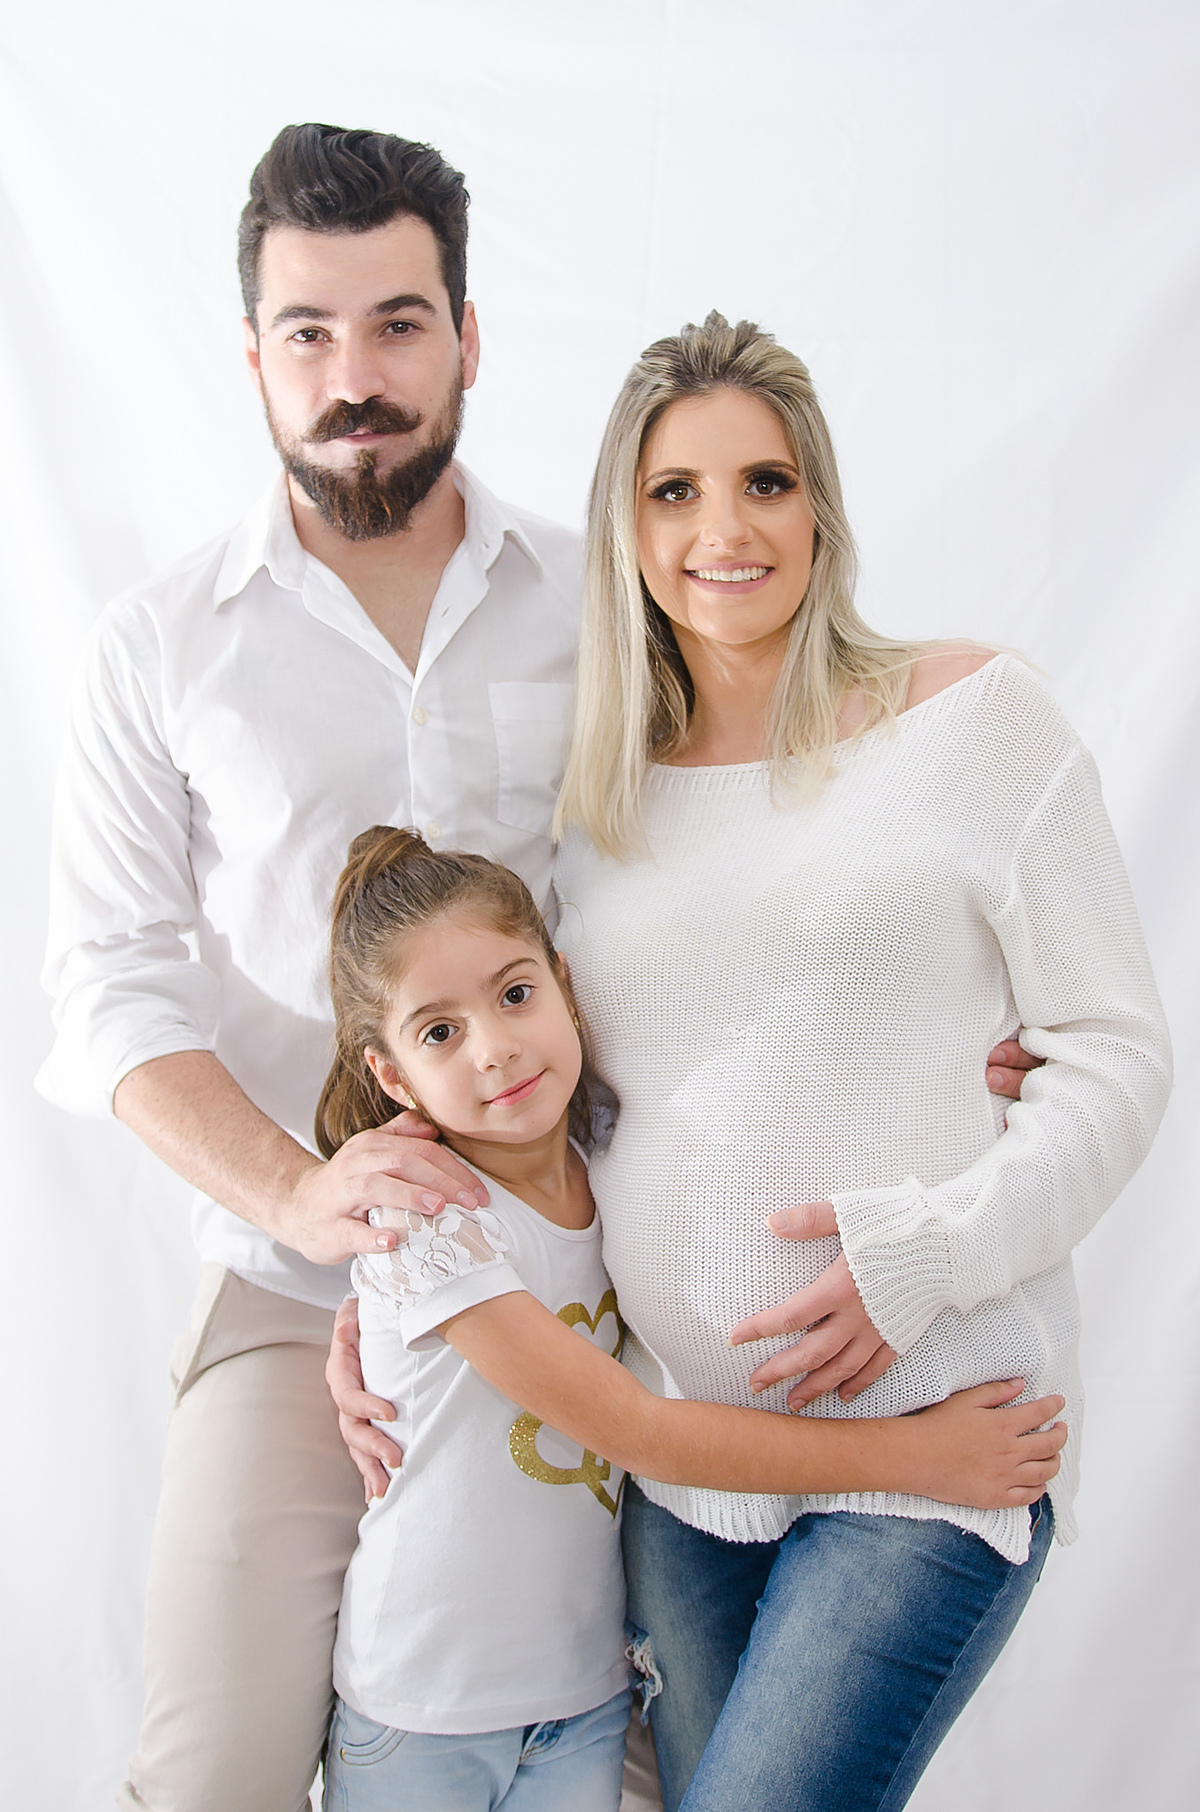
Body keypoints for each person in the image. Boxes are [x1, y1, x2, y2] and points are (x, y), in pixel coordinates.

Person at [39, 119, 1034, 1809]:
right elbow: (106, 989)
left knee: (632, 1762)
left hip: (600, 1269)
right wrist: (310, 1207)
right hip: (297, 1307)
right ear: (254, 356)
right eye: (309, 333)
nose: (356, 375)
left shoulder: (596, 609)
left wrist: (957, 1031)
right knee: (206, 1777)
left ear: (469, 337)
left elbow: (750, 856)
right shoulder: (159, 647)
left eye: (399, 324)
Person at [551, 314, 1172, 1810]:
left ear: (820, 505)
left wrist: (926, 1256)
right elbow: (563, 1108)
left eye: (765, 481)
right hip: (691, 1462)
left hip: (938, 1426)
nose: (724, 529)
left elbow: (1116, 1056)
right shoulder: (596, 802)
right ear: (624, 530)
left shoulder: (975, 720)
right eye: (674, 492)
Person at [314, 824, 1065, 1812]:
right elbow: (641, 1434)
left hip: (579, 1700)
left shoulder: (606, 1166)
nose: (495, 1047)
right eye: (441, 1032)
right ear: (396, 1080)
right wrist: (919, 1457)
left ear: (565, 984)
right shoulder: (430, 1230)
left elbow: (769, 1044)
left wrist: (978, 1066)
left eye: (515, 993)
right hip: (423, 1707)